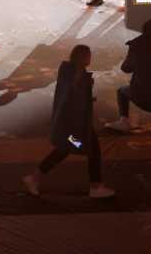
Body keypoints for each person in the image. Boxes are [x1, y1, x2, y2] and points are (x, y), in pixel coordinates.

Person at [23, 44, 116, 199]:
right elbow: (75, 102)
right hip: (74, 127)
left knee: (72, 150)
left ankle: (35, 178)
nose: (90, 58)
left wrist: (88, 96)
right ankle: (95, 187)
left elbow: (72, 98)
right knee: (73, 149)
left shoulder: (68, 71)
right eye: (88, 55)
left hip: (73, 126)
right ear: (83, 57)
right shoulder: (78, 77)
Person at [105, 18, 151, 132]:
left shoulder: (136, 46)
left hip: (143, 97)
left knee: (121, 91)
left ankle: (124, 122)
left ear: (143, 31)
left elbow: (125, 68)